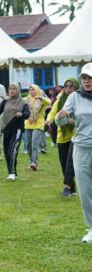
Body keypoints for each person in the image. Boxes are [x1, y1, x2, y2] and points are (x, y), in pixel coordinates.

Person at [56, 63, 92, 243]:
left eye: (90, 78)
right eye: (84, 78)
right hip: (81, 148)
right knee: (85, 190)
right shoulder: (75, 97)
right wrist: (60, 117)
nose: (87, 81)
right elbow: (60, 122)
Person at [47, 78, 79, 197]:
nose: (68, 88)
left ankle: (67, 186)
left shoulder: (79, 99)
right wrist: (48, 120)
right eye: (66, 86)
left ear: (75, 87)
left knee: (71, 161)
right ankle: (73, 188)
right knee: (63, 163)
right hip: (62, 135)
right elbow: (53, 112)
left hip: (75, 135)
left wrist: (74, 121)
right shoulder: (60, 99)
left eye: (71, 86)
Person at [0, 84, 30, 180]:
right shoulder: (6, 100)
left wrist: (22, 114)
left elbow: (27, 114)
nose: (12, 90)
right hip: (5, 129)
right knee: (7, 152)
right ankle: (12, 172)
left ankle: (12, 172)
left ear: (18, 90)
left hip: (17, 129)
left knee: (13, 150)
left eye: (14, 89)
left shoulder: (23, 102)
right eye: (10, 89)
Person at [25, 84, 51, 171]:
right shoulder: (27, 98)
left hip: (39, 123)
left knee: (34, 143)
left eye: (33, 89)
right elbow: (19, 101)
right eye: (30, 90)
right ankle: (31, 161)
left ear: (36, 90)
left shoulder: (40, 99)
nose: (31, 91)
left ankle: (34, 163)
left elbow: (49, 102)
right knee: (28, 145)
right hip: (28, 123)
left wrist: (40, 97)